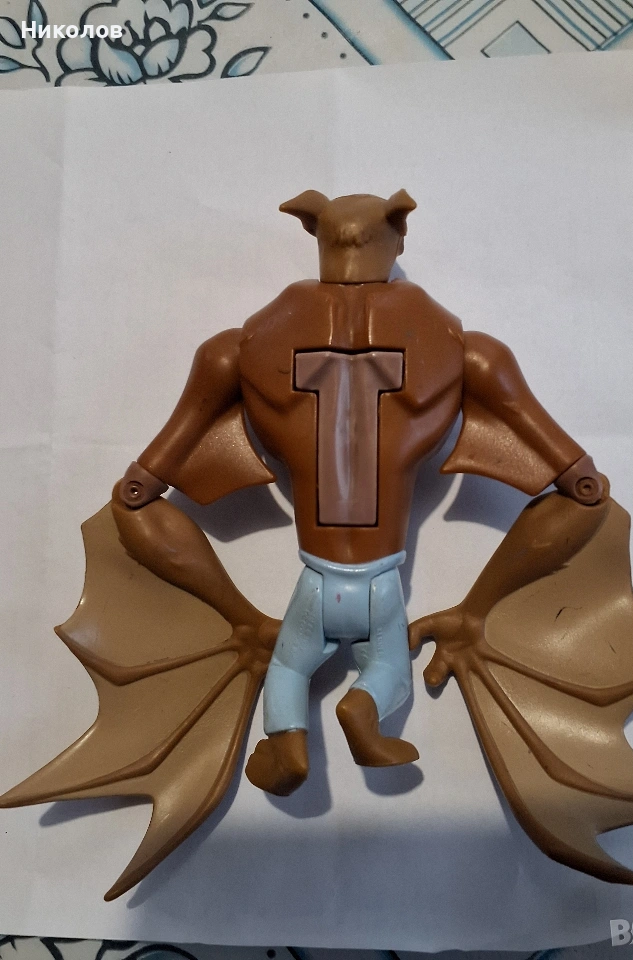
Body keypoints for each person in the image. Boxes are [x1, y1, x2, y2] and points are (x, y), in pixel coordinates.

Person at [116, 190, 606, 797]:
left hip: (314, 580)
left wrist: (236, 614)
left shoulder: (235, 351)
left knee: (288, 666)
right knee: (388, 670)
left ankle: (284, 741)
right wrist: (478, 609)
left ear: (314, 233)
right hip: (382, 581)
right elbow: (585, 492)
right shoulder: (467, 352)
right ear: (399, 232)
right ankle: (364, 707)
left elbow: (136, 495)